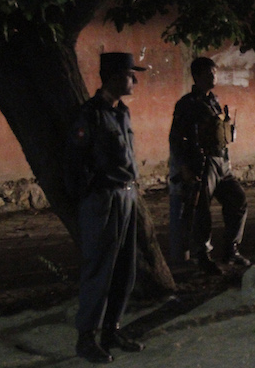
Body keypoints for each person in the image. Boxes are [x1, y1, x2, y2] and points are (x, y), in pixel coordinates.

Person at [64, 52, 147, 363]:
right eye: (130, 74)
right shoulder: (91, 114)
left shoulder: (120, 113)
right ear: (114, 77)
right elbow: (74, 163)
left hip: (126, 196)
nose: (135, 80)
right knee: (100, 269)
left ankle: (112, 330)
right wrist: (90, 196)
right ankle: (86, 338)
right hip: (103, 199)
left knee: (125, 269)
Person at [169, 57, 250, 275]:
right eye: (209, 73)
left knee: (238, 200)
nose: (213, 77)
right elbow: (176, 138)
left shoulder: (214, 101)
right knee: (201, 211)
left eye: (214, 73)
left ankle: (231, 249)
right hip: (201, 162)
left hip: (221, 162)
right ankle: (202, 255)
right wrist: (184, 167)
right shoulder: (187, 104)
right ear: (197, 76)